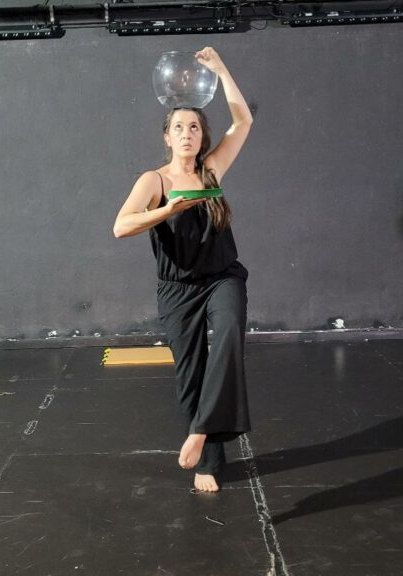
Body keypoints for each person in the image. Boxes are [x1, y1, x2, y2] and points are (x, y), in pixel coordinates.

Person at [113, 47, 253, 492]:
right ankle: (210, 459)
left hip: (222, 278)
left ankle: (199, 431)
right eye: (179, 127)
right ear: (167, 137)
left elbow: (243, 122)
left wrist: (222, 70)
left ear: (202, 135)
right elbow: (121, 226)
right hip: (178, 290)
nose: (187, 133)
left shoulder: (211, 171)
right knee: (191, 371)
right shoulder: (154, 181)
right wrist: (167, 209)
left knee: (228, 333)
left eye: (194, 127)